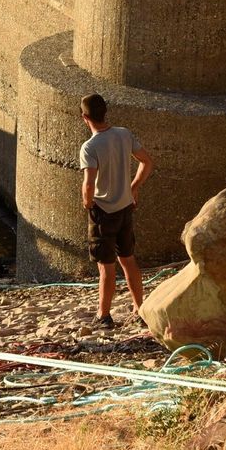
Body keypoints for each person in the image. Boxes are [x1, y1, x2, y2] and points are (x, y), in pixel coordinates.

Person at [78, 93, 155, 328]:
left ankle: (104, 315)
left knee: (106, 266)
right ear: (105, 112)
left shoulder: (90, 147)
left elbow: (89, 183)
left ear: (85, 117)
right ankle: (139, 308)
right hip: (125, 208)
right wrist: (134, 187)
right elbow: (147, 162)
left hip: (103, 212)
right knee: (128, 260)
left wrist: (87, 202)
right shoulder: (123, 134)